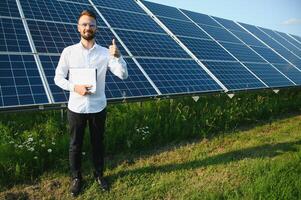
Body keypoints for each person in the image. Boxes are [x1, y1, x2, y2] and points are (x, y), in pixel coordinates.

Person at [54, 10, 128, 197]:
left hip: (98, 107)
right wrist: (74, 87)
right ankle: (76, 178)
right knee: (75, 145)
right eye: (84, 24)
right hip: (76, 108)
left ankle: (99, 175)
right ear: (78, 28)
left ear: (96, 28)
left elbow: (123, 75)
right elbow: (58, 78)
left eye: (91, 25)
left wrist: (118, 56)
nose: (88, 28)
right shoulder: (68, 52)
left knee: (98, 144)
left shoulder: (105, 53)